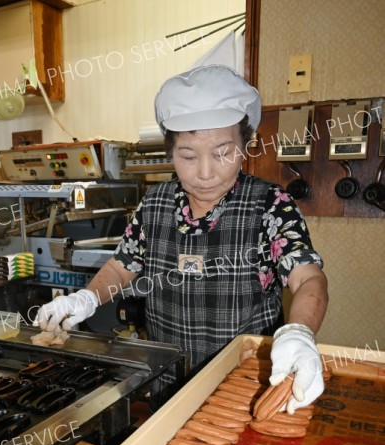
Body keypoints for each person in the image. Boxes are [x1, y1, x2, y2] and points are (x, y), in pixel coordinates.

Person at [35, 64, 328, 415]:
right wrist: (85, 299)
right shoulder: (155, 203)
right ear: (171, 151)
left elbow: (308, 277)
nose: (205, 172)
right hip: (168, 380)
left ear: (245, 145)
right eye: (188, 156)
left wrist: (298, 333)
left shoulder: (270, 205)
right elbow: (122, 267)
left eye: (222, 153)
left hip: (244, 385)